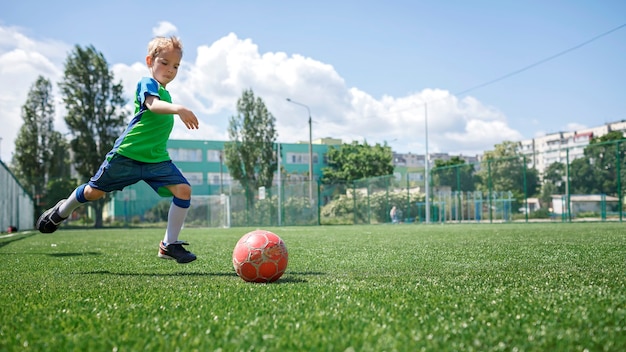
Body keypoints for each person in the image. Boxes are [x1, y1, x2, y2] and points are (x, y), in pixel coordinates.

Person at [36, 36, 200, 264]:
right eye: (164, 62)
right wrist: (179, 109)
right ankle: (61, 210)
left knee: (183, 190)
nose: (170, 70)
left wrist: (175, 107)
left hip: (155, 160)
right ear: (149, 61)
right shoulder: (147, 84)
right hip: (127, 155)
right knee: (95, 193)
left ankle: (168, 244)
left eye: (176, 66)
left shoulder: (166, 93)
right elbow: (152, 105)